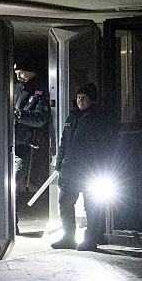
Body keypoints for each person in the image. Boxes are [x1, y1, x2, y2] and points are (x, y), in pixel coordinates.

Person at [51, 82, 117, 251]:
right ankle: (68, 237)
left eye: (84, 97)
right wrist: (59, 163)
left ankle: (91, 239)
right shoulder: (72, 118)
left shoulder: (99, 119)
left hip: (90, 170)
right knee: (64, 202)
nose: (80, 100)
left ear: (91, 100)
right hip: (69, 169)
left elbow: (105, 145)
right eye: (79, 97)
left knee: (92, 206)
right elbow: (64, 142)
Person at [13, 54, 51, 194]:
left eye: (21, 73)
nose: (19, 77)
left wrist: (17, 115)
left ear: (31, 71)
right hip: (14, 142)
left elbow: (40, 118)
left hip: (26, 144)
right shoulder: (16, 88)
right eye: (16, 74)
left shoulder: (40, 90)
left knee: (15, 181)